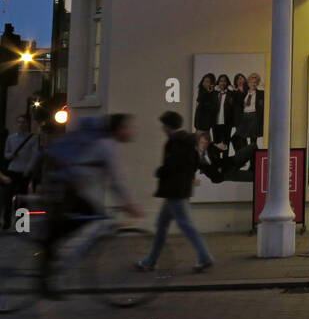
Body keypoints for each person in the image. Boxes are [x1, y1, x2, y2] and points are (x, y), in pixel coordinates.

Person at [41, 114, 142, 295]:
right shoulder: (107, 145)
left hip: (67, 184)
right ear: (118, 129)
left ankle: (52, 257)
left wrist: (124, 202)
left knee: (83, 215)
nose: (132, 130)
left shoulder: (104, 144)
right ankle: (50, 267)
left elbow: (111, 179)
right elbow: (117, 180)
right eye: (128, 127)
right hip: (65, 184)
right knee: (71, 223)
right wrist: (129, 204)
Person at [136, 111, 213, 273]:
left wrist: (160, 171)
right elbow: (197, 162)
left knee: (185, 225)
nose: (162, 129)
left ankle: (204, 257)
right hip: (181, 189)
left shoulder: (176, 142)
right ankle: (150, 260)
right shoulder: (189, 141)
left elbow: (173, 166)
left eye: (164, 126)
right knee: (162, 225)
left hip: (175, 190)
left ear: (169, 126)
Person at [2, 114, 42, 229]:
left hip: (24, 170)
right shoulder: (11, 138)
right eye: (19, 122)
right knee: (8, 196)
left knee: (23, 197)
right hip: (13, 169)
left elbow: (34, 155)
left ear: (27, 124)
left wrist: (29, 169)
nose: (21, 124)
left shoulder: (33, 138)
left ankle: (21, 224)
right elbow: (6, 154)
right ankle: (6, 222)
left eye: (23, 122)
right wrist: (11, 154)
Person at [232, 72, 263, 173]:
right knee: (236, 138)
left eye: (255, 82)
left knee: (253, 143)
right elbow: (237, 103)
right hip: (244, 118)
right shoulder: (244, 93)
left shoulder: (261, 94)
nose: (253, 84)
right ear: (248, 82)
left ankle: (253, 166)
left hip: (254, 117)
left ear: (257, 83)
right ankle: (242, 160)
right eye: (251, 82)